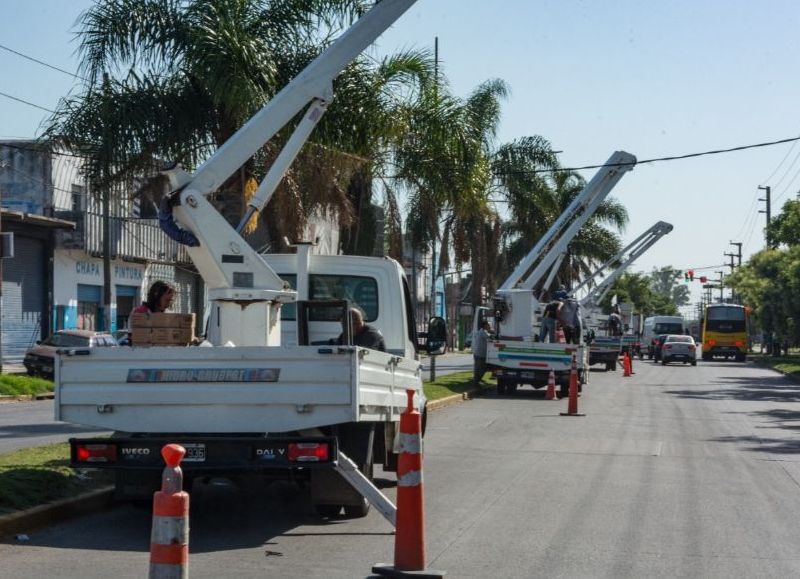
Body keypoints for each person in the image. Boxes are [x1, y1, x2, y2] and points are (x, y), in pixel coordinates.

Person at [472, 320, 491, 386]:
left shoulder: (480, 331)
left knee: (477, 368)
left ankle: (476, 381)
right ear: (485, 325)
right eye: (488, 325)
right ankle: (476, 381)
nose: (489, 326)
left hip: (477, 353)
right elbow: (490, 338)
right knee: (482, 369)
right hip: (480, 354)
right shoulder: (483, 332)